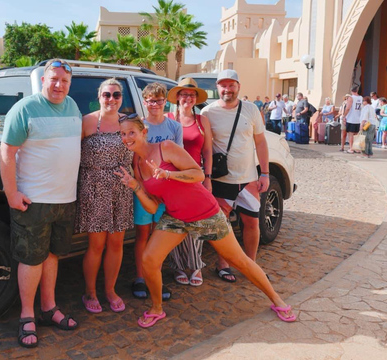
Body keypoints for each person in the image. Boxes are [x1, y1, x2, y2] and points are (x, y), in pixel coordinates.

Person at [115, 114, 296, 327]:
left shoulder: (166, 147)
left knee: (240, 261)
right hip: (175, 216)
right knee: (149, 260)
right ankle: (156, 308)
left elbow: (197, 175)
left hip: (205, 213)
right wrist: (135, 186)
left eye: (131, 132)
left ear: (144, 133)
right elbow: (153, 206)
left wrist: (169, 175)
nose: (127, 138)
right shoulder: (137, 164)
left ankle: (277, 300)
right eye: (123, 134)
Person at [0, 59, 82, 348]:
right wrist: (11, 193)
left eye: (65, 81)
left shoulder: (73, 106)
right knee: (31, 258)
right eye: (54, 79)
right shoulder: (25, 109)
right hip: (34, 200)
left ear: (70, 84)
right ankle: (26, 316)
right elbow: (7, 151)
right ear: (43, 80)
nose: (59, 85)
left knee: (52, 255)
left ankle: (49, 308)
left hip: (65, 199)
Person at [201, 70, 270, 284]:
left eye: (231, 85)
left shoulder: (250, 110)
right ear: (217, 87)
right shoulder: (207, 112)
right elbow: (202, 147)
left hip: (248, 179)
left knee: (251, 223)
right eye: (223, 85)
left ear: (238, 86)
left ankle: (251, 264)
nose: (227, 89)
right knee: (223, 226)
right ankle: (223, 264)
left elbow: (260, 142)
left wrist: (265, 173)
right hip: (221, 180)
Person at [76, 79, 133, 314]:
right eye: (107, 94)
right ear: (99, 96)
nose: (111, 99)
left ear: (121, 98)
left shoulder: (128, 122)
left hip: (121, 188)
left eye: (116, 95)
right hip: (94, 188)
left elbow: (139, 152)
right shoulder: (87, 122)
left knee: (117, 243)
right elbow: (71, 155)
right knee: (96, 245)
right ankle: (90, 292)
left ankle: (110, 290)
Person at [131, 83, 181, 301]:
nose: (155, 104)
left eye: (159, 100)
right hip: (143, 189)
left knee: (160, 235)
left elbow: (178, 159)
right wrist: (142, 186)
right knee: (142, 233)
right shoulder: (140, 126)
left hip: (165, 189)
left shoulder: (174, 127)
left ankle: (156, 277)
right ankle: (140, 277)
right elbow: (134, 158)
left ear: (165, 102)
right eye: (151, 100)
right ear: (145, 102)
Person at [166, 78, 212, 287]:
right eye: (183, 94)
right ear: (177, 97)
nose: (187, 98)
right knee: (176, 223)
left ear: (196, 99)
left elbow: (208, 151)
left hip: (195, 178)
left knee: (195, 223)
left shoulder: (202, 121)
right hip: (173, 179)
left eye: (191, 95)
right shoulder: (167, 118)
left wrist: (208, 177)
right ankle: (178, 266)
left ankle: (195, 266)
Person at [342, 85, 363, 154]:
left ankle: (351, 148)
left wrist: (344, 116)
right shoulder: (361, 98)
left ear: (351, 91)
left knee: (351, 134)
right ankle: (357, 148)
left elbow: (348, 108)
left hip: (351, 118)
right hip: (358, 118)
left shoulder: (351, 98)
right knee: (357, 134)